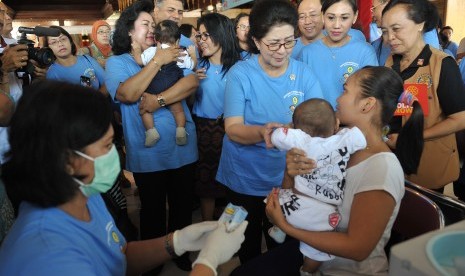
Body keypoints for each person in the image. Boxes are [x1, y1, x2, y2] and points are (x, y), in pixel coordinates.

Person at [0, 80, 247, 276]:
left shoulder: (84, 194)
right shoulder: (48, 256)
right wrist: (208, 262)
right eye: (107, 146)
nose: (115, 157)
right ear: (66, 160)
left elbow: (117, 258)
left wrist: (176, 242)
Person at [232, 66, 407, 276]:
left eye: (345, 91)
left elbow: (357, 248)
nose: (338, 98)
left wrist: (287, 228)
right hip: (311, 255)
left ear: (367, 104)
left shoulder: (382, 168)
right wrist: (290, 173)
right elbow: (297, 193)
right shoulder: (331, 143)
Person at [216, 0, 324, 264]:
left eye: (289, 42)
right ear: (255, 40)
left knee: (283, 247)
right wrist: (263, 131)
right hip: (244, 177)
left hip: (288, 178)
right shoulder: (240, 75)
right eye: (273, 43)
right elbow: (233, 129)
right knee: (247, 243)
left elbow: (319, 124)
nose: (282, 51)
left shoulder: (304, 74)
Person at [105, 0, 199, 272]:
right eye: (145, 24)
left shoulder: (173, 52)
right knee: (153, 210)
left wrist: (157, 100)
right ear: (129, 32)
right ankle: (152, 258)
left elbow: (191, 82)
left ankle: (181, 252)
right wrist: (158, 60)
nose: (151, 29)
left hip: (183, 146)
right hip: (148, 154)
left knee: (182, 207)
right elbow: (127, 94)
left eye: (153, 25)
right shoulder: (117, 63)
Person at [267, 98, 367, 275]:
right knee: (317, 251)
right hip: (322, 213)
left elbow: (277, 136)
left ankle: (278, 229)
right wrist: (342, 131)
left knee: (277, 195)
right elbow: (361, 137)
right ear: (336, 124)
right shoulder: (342, 141)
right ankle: (307, 271)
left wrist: (290, 130)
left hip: (294, 206)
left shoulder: (300, 140)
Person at [382, 0, 465, 190]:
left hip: (427, 164)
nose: (389, 38)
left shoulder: (441, 64)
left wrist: (413, 136)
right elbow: (399, 109)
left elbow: (460, 119)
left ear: (420, 24)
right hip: (391, 160)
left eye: (396, 29)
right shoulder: (391, 62)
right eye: (384, 31)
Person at [192, 13, 241, 221]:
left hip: (230, 131)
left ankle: (231, 229)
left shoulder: (239, 68)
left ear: (220, 34)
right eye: (199, 36)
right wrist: (191, 82)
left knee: (232, 183)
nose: (202, 41)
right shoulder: (197, 68)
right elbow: (188, 103)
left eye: (206, 35)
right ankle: (207, 228)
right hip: (203, 131)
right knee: (206, 184)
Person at [298, 0, 378, 109]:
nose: (336, 25)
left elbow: (372, 94)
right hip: (317, 121)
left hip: (354, 122)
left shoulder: (365, 51)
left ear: (355, 17)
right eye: (331, 18)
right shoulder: (307, 53)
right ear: (322, 16)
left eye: (344, 18)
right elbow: (300, 96)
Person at [133, 20, 196, 147]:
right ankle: (180, 130)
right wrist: (193, 54)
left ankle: (151, 132)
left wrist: (136, 50)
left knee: (145, 110)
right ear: (178, 41)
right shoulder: (180, 53)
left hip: (153, 87)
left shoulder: (152, 51)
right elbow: (193, 65)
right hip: (171, 89)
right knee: (178, 111)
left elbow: (140, 61)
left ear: (157, 40)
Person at [371, 0, 442, 65]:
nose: (372, 14)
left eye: (374, 8)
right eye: (385, 32)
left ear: (388, 3)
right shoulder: (376, 44)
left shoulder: (422, 32)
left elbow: (428, 64)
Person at [45, 26, 107, 95]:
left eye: (63, 39)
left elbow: (107, 82)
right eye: (54, 42)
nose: (60, 44)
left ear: (70, 41)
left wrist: (96, 101)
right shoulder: (52, 73)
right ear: (48, 48)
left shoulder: (87, 59)